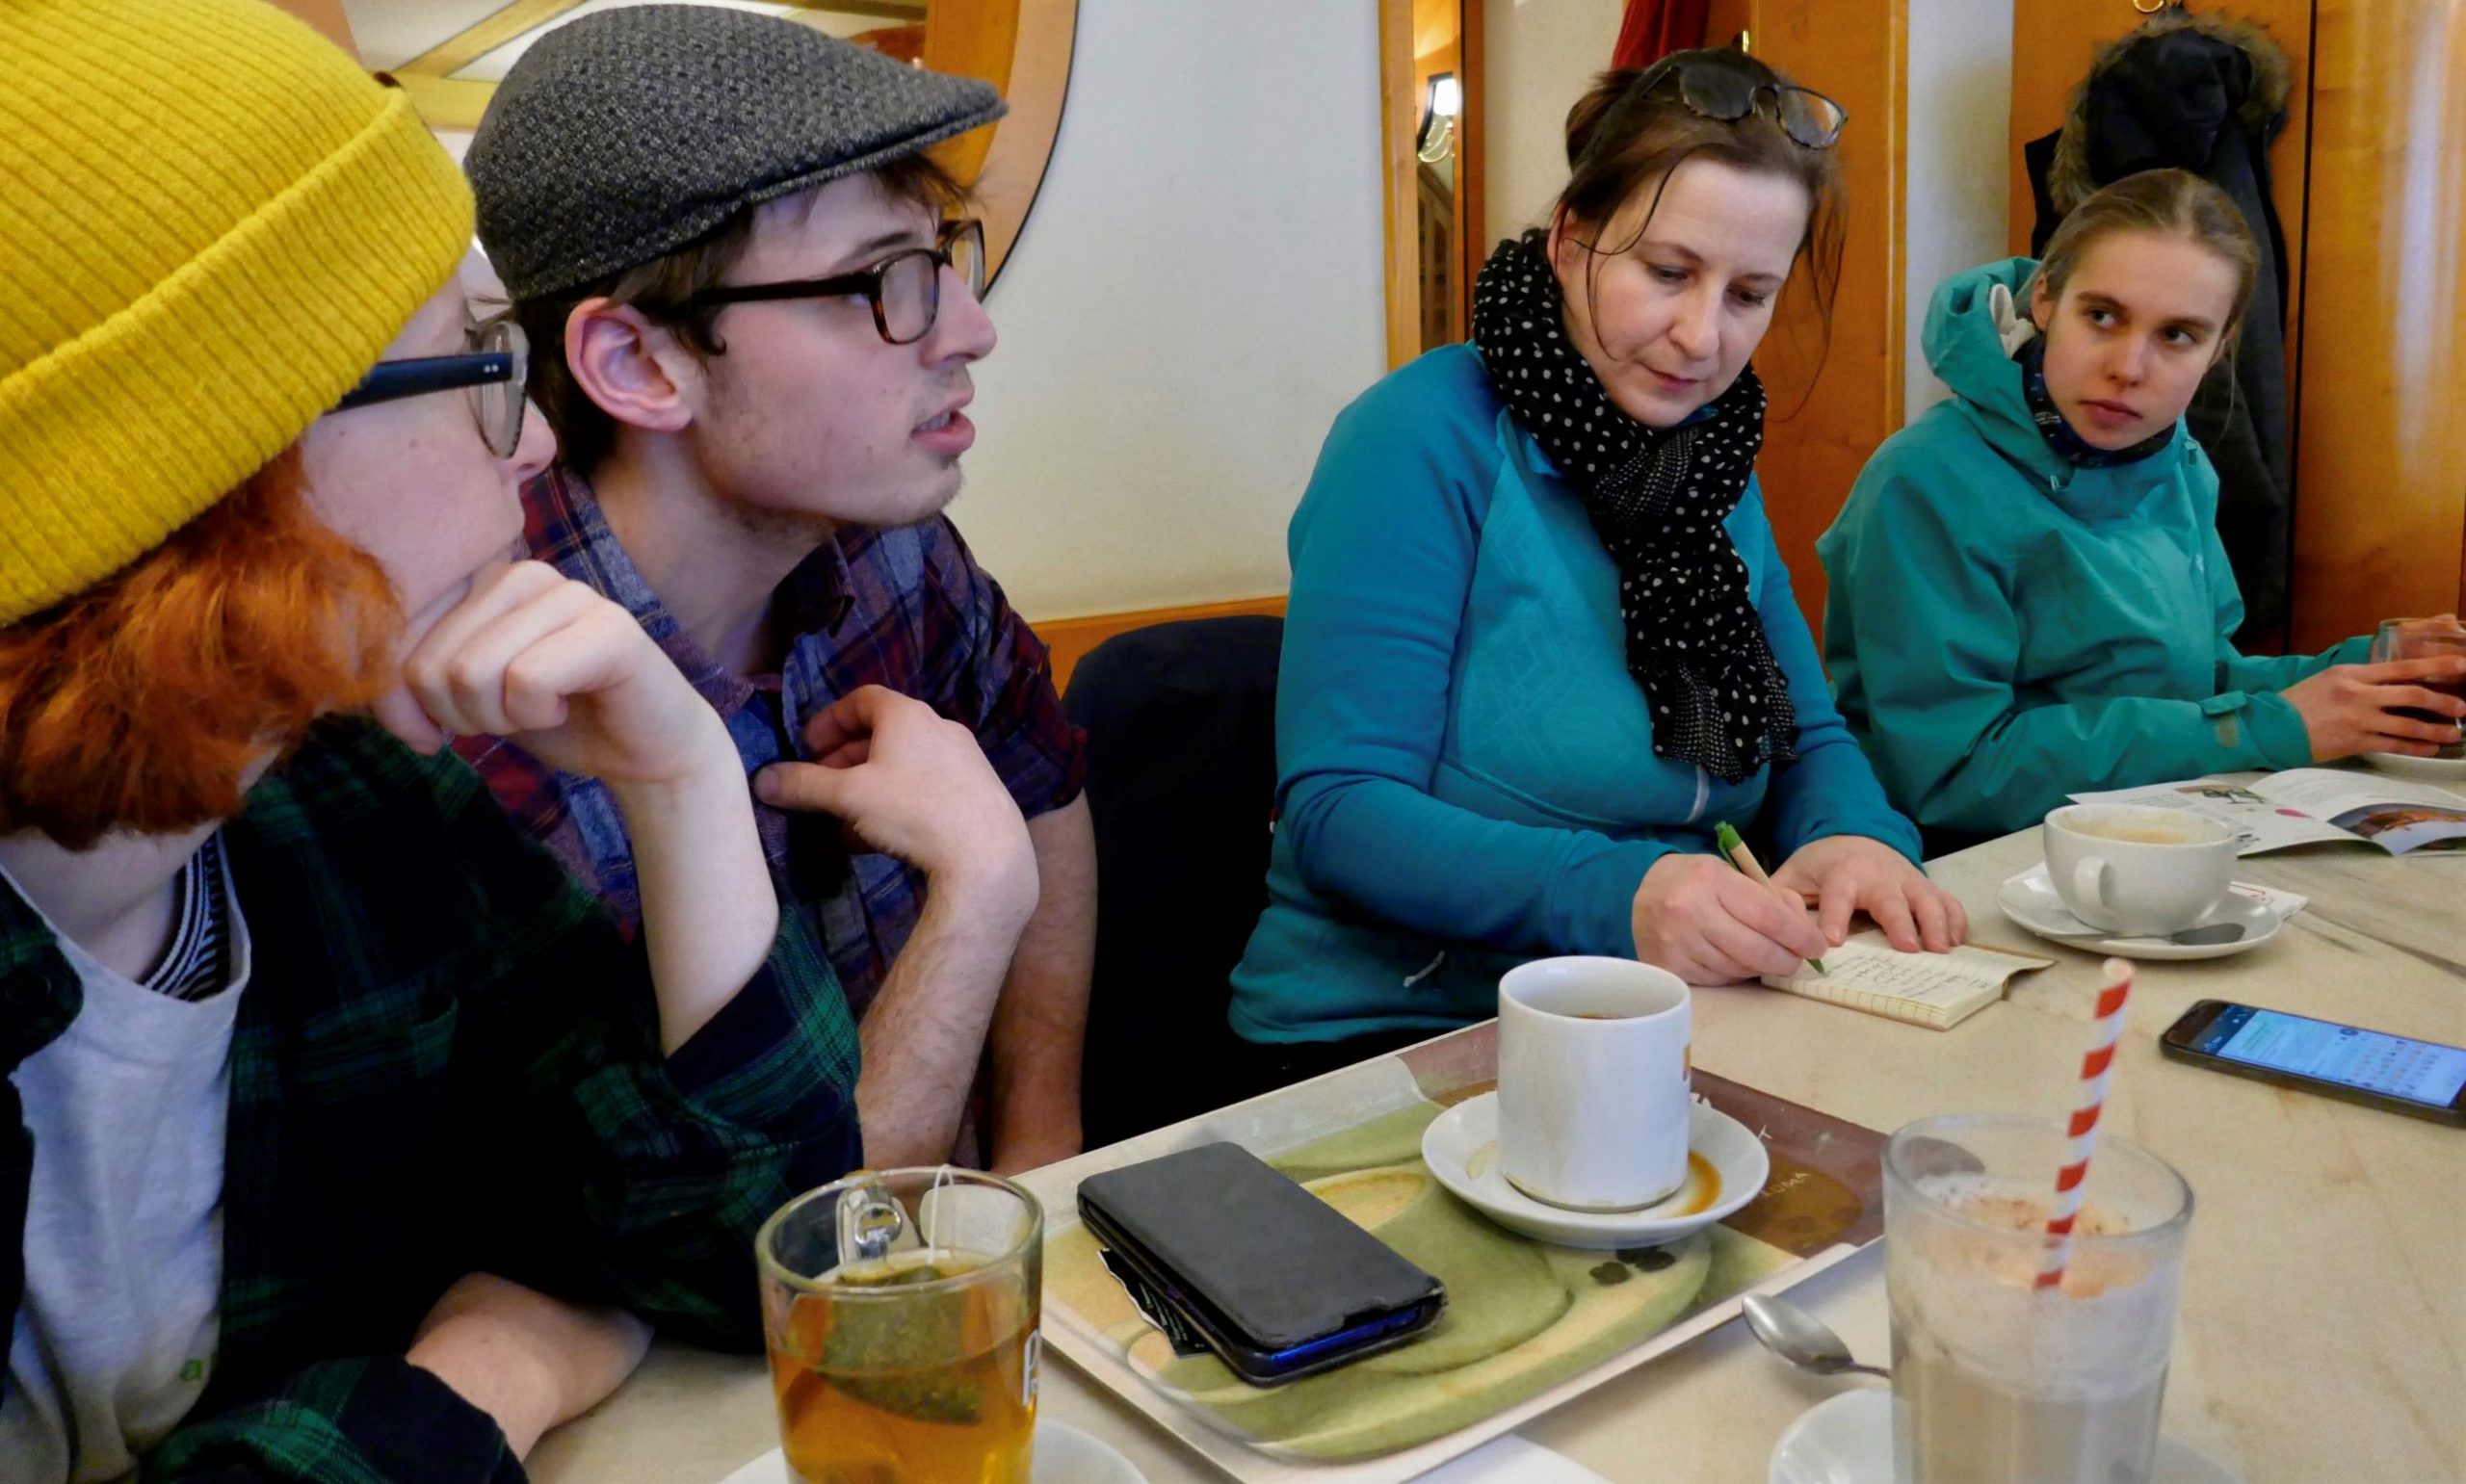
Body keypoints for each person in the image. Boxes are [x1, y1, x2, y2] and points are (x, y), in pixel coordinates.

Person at [0, 3, 862, 1477]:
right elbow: (549, 1324)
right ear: (228, 471)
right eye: (482, 363)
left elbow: (753, 1261)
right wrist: (467, 1389)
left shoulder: (341, 810)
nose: (535, 444)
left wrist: (685, 783)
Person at [1226, 52, 1964, 1077]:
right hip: (1398, 1033)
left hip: (1662, 1018)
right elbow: (1339, 809)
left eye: (1750, 294)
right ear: (1572, 238)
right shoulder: (1419, 434)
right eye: (1667, 272)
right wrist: (1622, 892)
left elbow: (1806, 735)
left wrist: (1853, 835)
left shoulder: (1704, 460)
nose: (1703, 337)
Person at [457, 6, 1090, 1175]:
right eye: (883, 280)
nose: (972, 328)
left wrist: (1043, 1148)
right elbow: (769, 1236)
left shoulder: (892, 552)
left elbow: (1041, 773)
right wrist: (975, 888)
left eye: (944, 255)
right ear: (638, 364)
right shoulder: (494, 723)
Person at [1820, 168, 2466, 850]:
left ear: (2219, 350)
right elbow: (1952, 771)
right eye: (2102, 316)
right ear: (2045, 299)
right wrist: (2271, 726)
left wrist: (2374, 674)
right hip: (1970, 869)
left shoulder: (2174, 460)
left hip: (2150, 839)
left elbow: (2192, 684)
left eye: (2178, 336)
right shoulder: (1924, 480)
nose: (2130, 367)